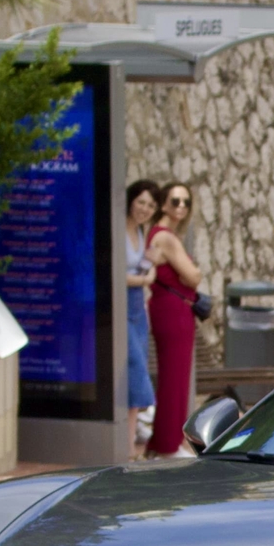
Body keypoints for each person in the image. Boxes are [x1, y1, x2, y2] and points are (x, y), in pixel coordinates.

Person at [144, 181, 205, 457]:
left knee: (176, 375)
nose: (181, 207)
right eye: (175, 200)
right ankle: (168, 443)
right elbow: (193, 276)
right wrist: (192, 273)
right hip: (173, 309)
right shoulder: (166, 236)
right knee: (174, 376)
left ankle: (168, 440)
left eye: (186, 202)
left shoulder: (159, 236)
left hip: (171, 307)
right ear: (163, 203)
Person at [122, 180, 160, 453]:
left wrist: (149, 273)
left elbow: (147, 268)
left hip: (137, 307)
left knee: (139, 366)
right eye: (141, 202)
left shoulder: (141, 230)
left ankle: (129, 443)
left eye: (150, 205)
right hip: (122, 302)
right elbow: (114, 273)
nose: (144, 209)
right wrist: (141, 280)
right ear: (131, 200)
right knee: (134, 369)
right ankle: (126, 444)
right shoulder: (118, 229)